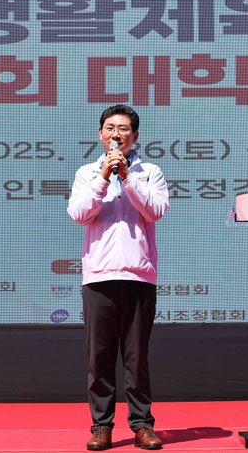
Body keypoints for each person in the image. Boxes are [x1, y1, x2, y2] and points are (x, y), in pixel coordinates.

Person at [67, 105, 169, 451]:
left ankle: (142, 424)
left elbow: (155, 211)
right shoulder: (86, 173)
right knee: (99, 357)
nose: (116, 134)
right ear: (100, 134)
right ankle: (101, 426)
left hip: (139, 277)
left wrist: (127, 177)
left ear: (134, 136)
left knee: (136, 358)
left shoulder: (150, 172)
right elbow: (79, 214)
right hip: (98, 277)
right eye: (110, 128)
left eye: (123, 129)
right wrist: (103, 178)